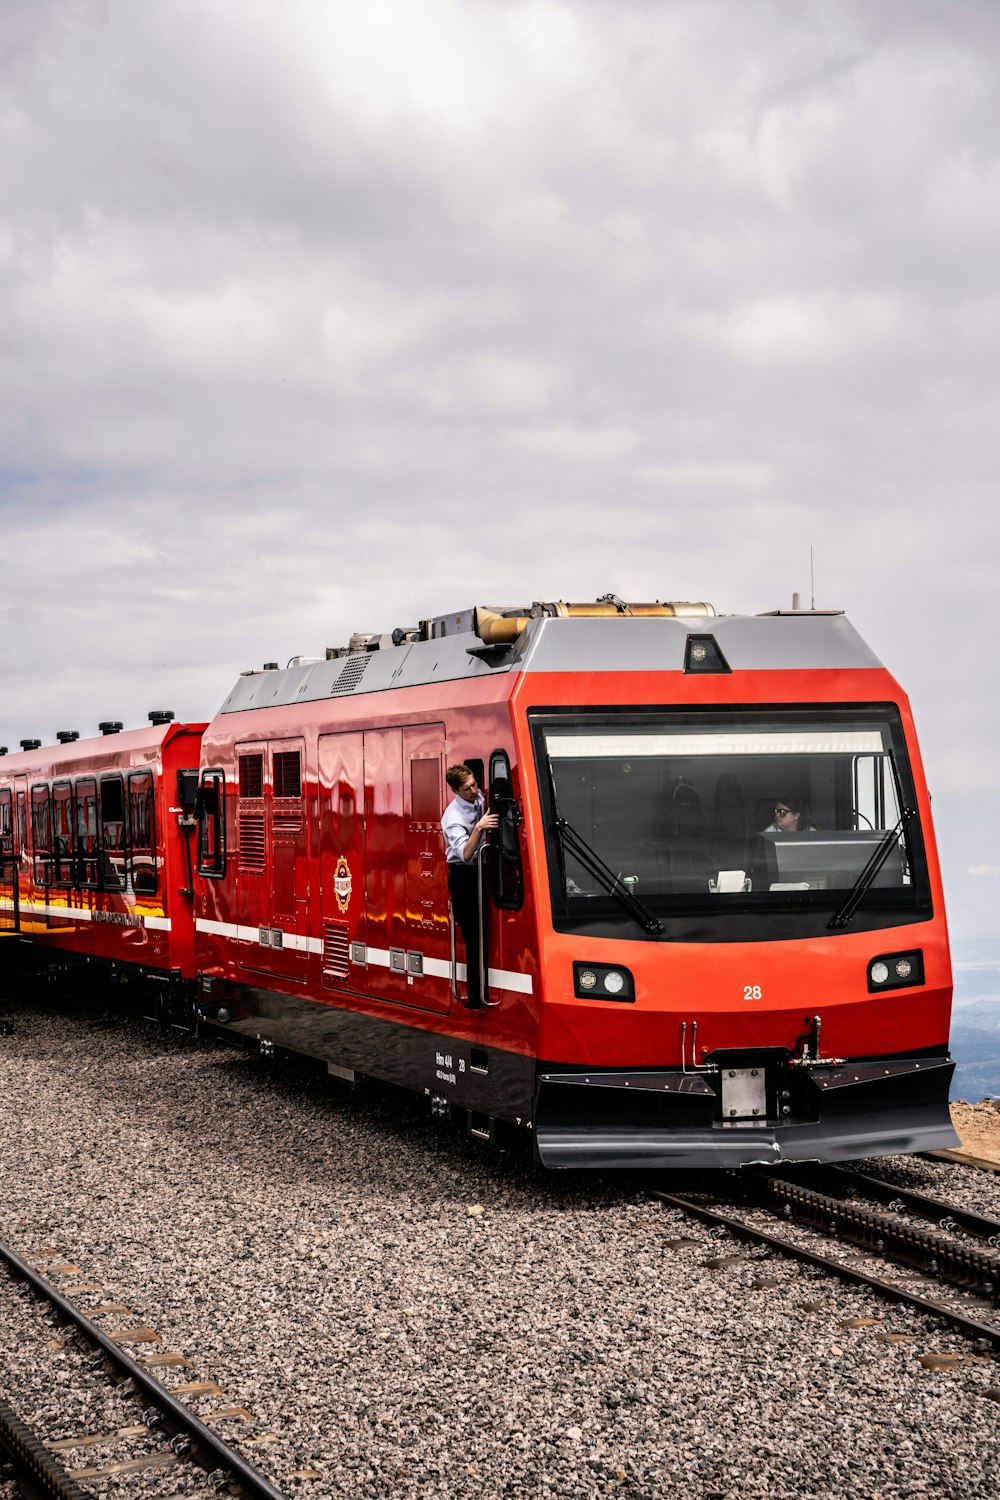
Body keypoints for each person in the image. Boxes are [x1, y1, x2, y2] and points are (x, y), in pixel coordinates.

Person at [441, 764, 498, 1008]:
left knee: (487, 931)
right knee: (474, 936)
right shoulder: (452, 817)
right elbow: (464, 853)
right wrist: (478, 828)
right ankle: (475, 997)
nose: (474, 790)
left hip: (483, 870)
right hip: (464, 876)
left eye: (474, 784)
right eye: (467, 789)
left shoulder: (478, 796)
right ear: (456, 791)